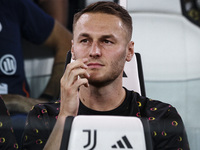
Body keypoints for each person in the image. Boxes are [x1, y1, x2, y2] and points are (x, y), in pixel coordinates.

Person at [22, 1, 190, 150]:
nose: (94, 52)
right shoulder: (43, 116)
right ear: (73, 49)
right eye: (85, 41)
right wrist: (65, 117)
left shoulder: (161, 117)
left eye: (107, 41)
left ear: (129, 51)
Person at [0, 0, 72, 112]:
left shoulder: (12, 4)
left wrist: (47, 98)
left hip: (18, 116)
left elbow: (66, 42)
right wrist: (9, 101)